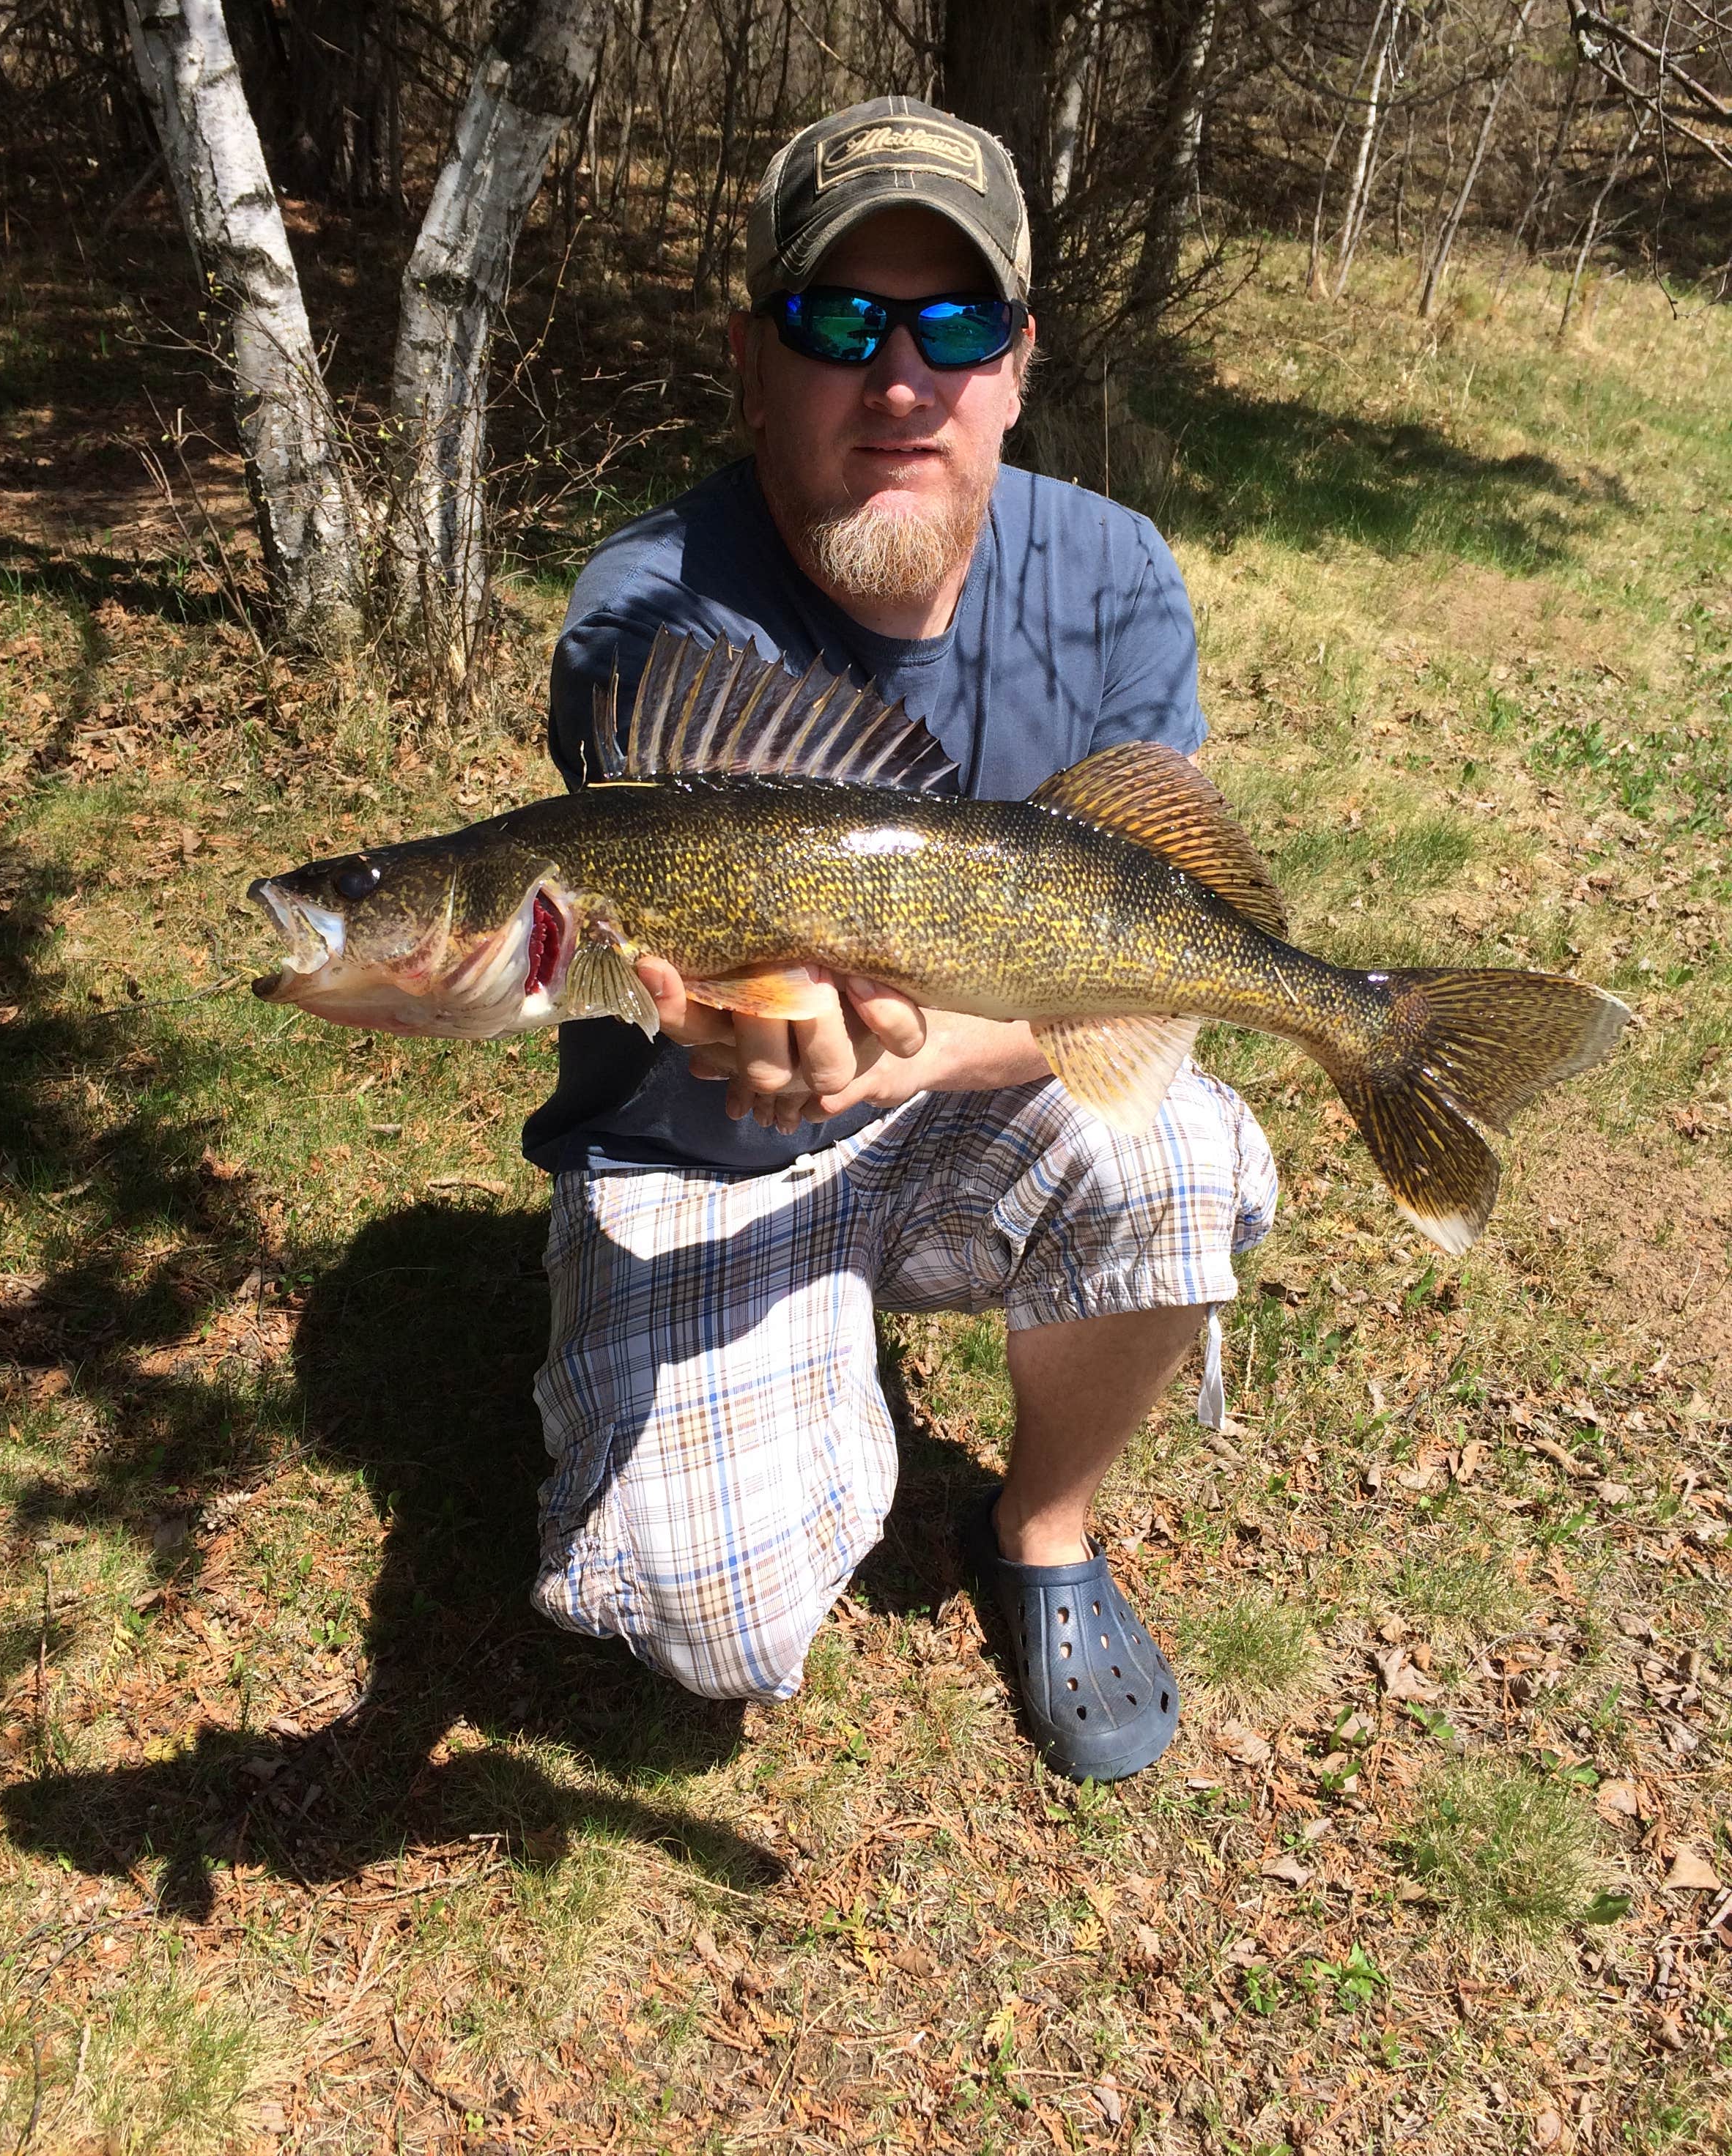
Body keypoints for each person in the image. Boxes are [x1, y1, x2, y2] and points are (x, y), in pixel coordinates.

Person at [522, 95, 1276, 1782]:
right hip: (708, 1141)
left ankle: (1044, 1529)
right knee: (709, 1621)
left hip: (976, 1090)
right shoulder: (652, 620)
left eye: (958, 324)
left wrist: (915, 1057)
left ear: (1018, 364)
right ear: (752, 359)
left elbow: (1163, 950)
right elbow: (648, 968)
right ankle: (762, 1365)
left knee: (1186, 1148)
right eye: (840, 321)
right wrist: (745, 1028)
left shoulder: (1115, 576)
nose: (904, 378)